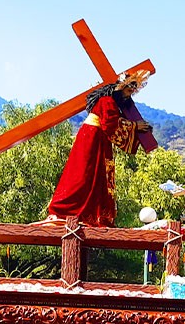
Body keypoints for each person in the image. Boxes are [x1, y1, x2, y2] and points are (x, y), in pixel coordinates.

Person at [47, 70, 153, 227]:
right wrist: (135, 126)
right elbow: (110, 124)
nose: (128, 95)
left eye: (132, 92)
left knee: (95, 178)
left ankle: (90, 214)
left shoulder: (110, 103)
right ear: (120, 87)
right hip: (93, 138)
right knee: (84, 175)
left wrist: (137, 129)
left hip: (98, 139)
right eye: (128, 90)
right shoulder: (107, 101)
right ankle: (67, 210)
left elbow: (114, 125)